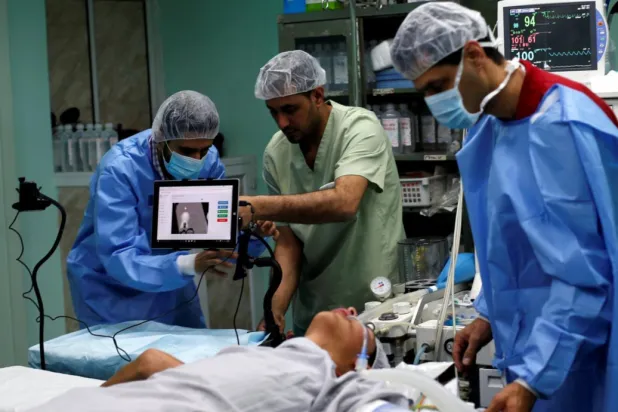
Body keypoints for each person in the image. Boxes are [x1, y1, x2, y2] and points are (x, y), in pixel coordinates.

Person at [390, 2, 618, 412]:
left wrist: (534, 379)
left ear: (475, 55)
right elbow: (510, 252)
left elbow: (586, 276)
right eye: (424, 91)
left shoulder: (565, 125)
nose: (433, 103)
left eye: (437, 85)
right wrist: (488, 317)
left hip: (581, 357)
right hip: (533, 354)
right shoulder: (489, 128)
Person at [67, 91, 278, 329]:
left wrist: (253, 234)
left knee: (185, 361)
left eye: (205, 149)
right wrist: (188, 265)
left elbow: (217, 234)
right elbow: (119, 255)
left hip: (171, 281)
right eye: (186, 151)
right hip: (111, 291)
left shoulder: (207, 163)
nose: (197, 160)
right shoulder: (119, 170)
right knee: (129, 362)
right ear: (162, 139)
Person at [242, 51, 406, 337]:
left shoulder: (360, 128)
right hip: (317, 313)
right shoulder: (276, 153)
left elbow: (344, 203)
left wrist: (257, 205)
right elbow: (289, 243)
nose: (282, 122)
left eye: (290, 109)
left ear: (317, 95)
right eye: (273, 112)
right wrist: (275, 310)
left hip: (375, 304)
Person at [27, 308, 410, 412]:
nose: (351, 310)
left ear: (358, 365)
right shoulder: (255, 357)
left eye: (364, 326)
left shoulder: (328, 384)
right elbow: (150, 362)